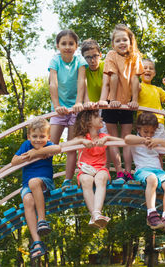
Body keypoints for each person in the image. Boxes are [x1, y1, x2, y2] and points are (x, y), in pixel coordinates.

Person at [62, 110, 123, 228]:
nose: (101, 118)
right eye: (97, 116)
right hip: (86, 171)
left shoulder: (104, 137)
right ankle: (95, 215)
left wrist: (107, 140)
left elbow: (123, 142)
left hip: (101, 169)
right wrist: (81, 141)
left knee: (101, 178)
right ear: (88, 122)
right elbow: (62, 146)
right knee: (86, 180)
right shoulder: (82, 137)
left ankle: (96, 214)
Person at [11, 118, 61, 259]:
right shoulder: (26, 145)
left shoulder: (48, 145)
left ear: (48, 137)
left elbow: (57, 148)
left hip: (44, 182)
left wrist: (37, 153)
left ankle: (42, 220)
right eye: (34, 136)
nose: (38, 140)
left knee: (34, 182)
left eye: (42, 136)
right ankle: (37, 243)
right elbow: (13, 161)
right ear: (29, 136)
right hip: (27, 185)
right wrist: (28, 155)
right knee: (27, 199)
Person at [103, 24, 144, 182]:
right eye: (118, 40)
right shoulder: (111, 55)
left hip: (127, 104)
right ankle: (119, 171)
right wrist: (112, 99)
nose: (121, 43)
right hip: (111, 103)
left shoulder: (135, 56)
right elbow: (112, 77)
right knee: (113, 138)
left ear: (130, 41)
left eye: (124, 40)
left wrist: (134, 100)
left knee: (126, 138)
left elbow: (135, 79)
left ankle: (128, 172)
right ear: (113, 44)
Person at [48, 29, 88, 190]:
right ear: (58, 46)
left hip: (75, 108)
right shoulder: (55, 60)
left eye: (71, 43)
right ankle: (46, 179)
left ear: (76, 46)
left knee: (72, 145)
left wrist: (79, 102)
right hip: (59, 108)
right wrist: (56, 105)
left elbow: (81, 81)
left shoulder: (79, 60)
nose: (67, 47)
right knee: (51, 145)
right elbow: (53, 83)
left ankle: (67, 180)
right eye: (63, 43)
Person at [124, 112, 165, 232]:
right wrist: (143, 139)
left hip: (158, 171)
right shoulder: (136, 139)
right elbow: (127, 138)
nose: (149, 135)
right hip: (142, 170)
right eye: (146, 132)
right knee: (152, 179)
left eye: (152, 132)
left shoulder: (155, 140)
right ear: (138, 129)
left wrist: (158, 141)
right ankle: (151, 213)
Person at [80, 38, 124, 174]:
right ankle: (87, 170)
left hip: (105, 107)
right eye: (88, 57)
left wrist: (102, 101)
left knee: (107, 139)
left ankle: (114, 171)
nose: (92, 60)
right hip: (89, 110)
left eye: (95, 56)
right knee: (87, 139)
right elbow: (82, 88)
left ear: (100, 54)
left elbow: (112, 85)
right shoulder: (82, 69)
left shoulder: (107, 66)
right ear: (83, 58)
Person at [139, 58, 165, 139]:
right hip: (143, 123)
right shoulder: (137, 86)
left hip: (158, 123)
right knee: (144, 148)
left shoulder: (157, 89)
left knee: (160, 149)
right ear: (139, 71)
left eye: (151, 68)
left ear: (154, 73)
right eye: (145, 68)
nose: (148, 70)